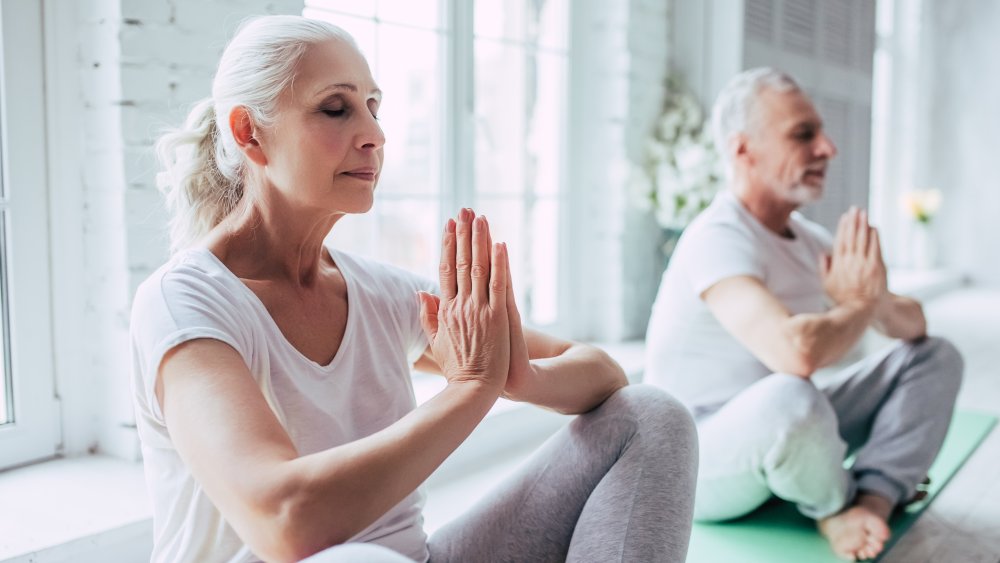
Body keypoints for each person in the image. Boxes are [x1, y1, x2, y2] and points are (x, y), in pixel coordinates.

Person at [130, 15, 698, 563]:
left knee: (650, 415)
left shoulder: (377, 293)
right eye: (336, 108)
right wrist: (471, 387)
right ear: (248, 133)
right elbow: (285, 523)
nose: (374, 135)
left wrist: (515, 373)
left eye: (373, 108)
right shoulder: (185, 302)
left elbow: (602, 373)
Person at [643, 67, 963, 561]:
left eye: (822, 133)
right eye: (803, 135)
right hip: (695, 459)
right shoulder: (717, 236)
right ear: (743, 149)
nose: (828, 148)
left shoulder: (810, 240)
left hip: (785, 427)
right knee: (793, 394)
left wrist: (872, 298)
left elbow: (913, 325)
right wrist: (858, 304)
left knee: (936, 357)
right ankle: (833, 506)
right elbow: (795, 353)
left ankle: (872, 500)